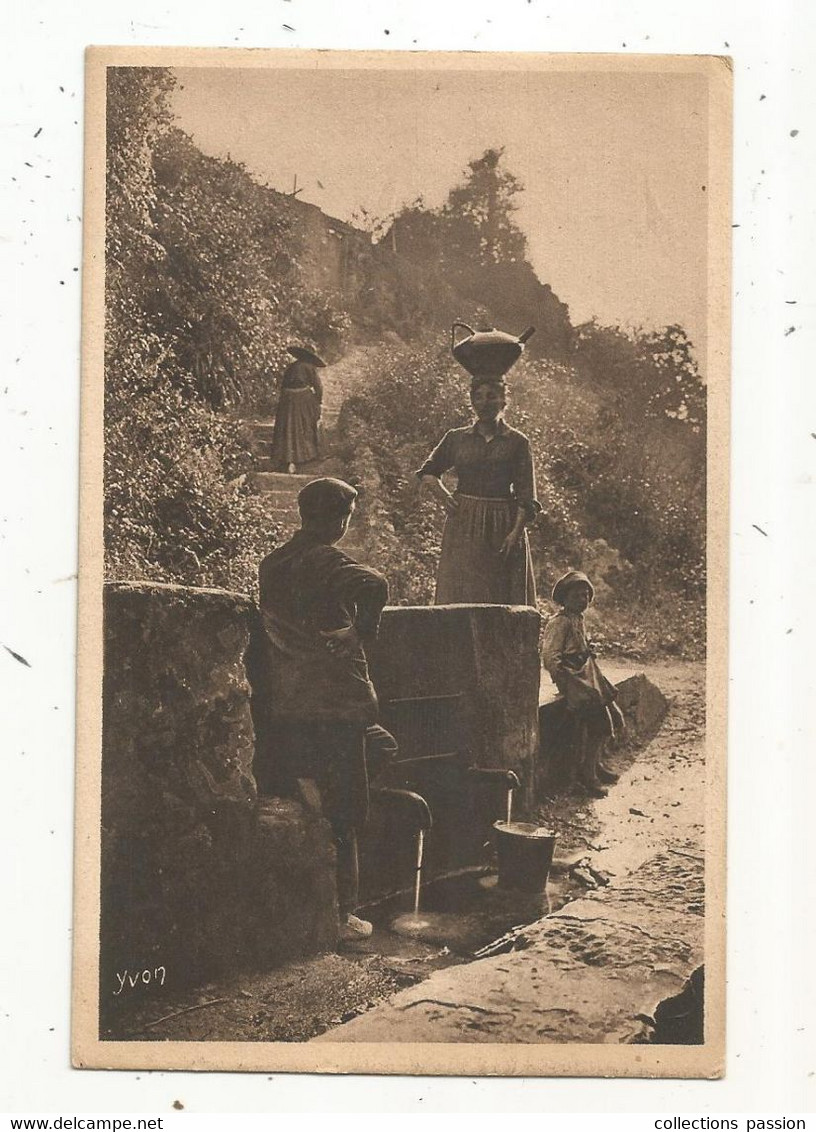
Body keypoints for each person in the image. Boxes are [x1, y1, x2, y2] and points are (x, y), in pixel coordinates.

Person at [257, 477, 395, 944]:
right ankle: (342, 918)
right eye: (346, 516)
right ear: (337, 519)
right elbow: (375, 583)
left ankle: (310, 787)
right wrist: (360, 631)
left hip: (290, 698)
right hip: (334, 701)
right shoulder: (327, 559)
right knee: (349, 807)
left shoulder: (273, 563)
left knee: (379, 748)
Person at [416, 377, 541, 605]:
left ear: (504, 401)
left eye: (492, 396)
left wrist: (515, 533)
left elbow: (526, 496)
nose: (484, 403)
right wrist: (444, 497)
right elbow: (428, 472)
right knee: (462, 590)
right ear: (471, 402)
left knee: (500, 592)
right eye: (478, 397)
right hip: (464, 523)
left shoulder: (517, 442)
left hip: (502, 524)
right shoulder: (456, 438)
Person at [541, 570, 625, 797]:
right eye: (578, 595)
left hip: (587, 674)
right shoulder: (559, 622)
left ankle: (595, 764)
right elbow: (550, 657)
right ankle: (588, 776)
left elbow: (578, 646)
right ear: (565, 598)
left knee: (614, 714)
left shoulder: (578, 620)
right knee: (601, 721)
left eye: (586, 595)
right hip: (574, 680)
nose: (583, 600)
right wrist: (565, 683)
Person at [270, 346, 325, 473]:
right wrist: (318, 401)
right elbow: (318, 387)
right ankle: (306, 455)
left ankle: (286, 458)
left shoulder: (291, 367)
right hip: (302, 398)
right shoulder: (310, 367)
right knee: (307, 423)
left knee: (287, 426)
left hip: (287, 399)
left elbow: (283, 385)